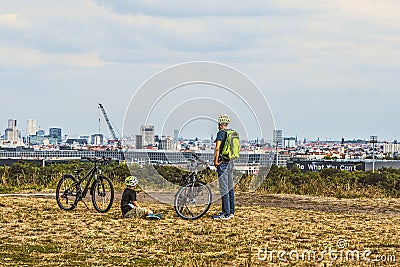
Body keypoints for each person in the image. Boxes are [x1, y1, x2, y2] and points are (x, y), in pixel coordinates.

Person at [212, 114, 235, 220]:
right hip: (231, 162)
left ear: (220, 123)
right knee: (230, 188)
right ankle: (231, 212)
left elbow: (217, 148)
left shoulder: (221, 133)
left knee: (224, 188)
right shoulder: (232, 133)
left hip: (223, 163)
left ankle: (225, 213)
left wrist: (216, 161)